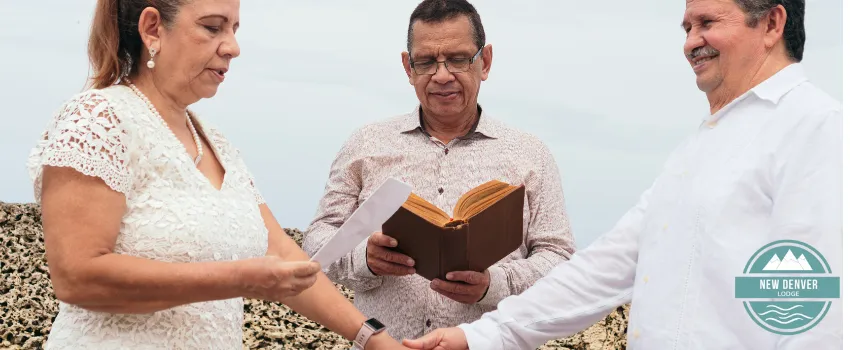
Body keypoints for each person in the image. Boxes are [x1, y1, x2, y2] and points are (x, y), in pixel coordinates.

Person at [402, 0, 842, 349]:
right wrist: (478, 337)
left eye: (707, 22)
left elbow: (810, 307)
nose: (691, 42)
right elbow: (603, 270)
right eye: (687, 27)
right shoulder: (698, 149)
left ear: (772, 24)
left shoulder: (816, 129)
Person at [25, 0, 407, 349]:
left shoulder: (216, 142)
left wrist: (373, 339)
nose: (232, 47)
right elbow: (77, 275)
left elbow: (279, 253)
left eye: (234, 30)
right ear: (153, 28)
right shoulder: (97, 118)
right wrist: (240, 279)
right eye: (213, 27)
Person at [301, 0, 576, 342]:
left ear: (485, 61)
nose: (442, 75)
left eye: (458, 59)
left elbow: (559, 260)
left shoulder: (530, 155)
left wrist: (494, 285)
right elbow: (316, 243)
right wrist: (364, 260)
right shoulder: (364, 144)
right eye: (426, 61)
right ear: (408, 67)